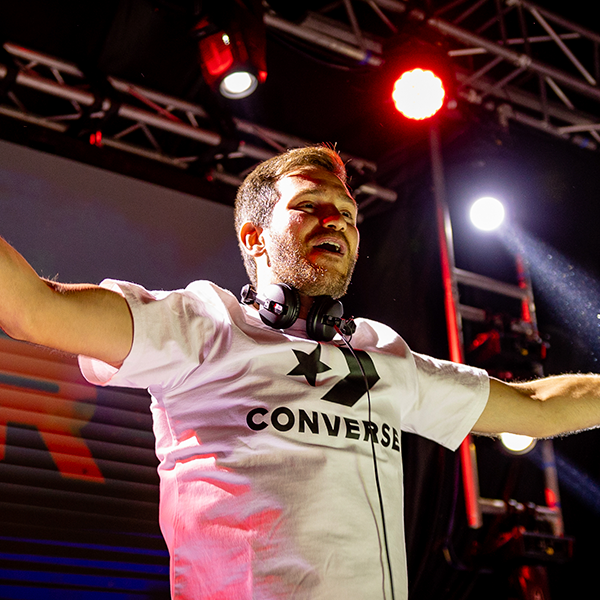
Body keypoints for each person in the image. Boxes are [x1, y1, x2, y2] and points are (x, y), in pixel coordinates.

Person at [1, 145, 600, 600]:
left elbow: (539, 407)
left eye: (347, 213)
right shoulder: (202, 325)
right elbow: (35, 308)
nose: (335, 220)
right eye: (309, 206)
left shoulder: (385, 355)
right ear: (255, 238)